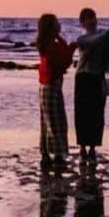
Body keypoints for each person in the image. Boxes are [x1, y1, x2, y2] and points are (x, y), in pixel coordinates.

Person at [73, 5, 109, 163]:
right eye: (88, 18)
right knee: (83, 114)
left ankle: (92, 148)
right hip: (84, 78)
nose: (92, 21)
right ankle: (83, 147)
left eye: (93, 17)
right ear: (82, 23)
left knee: (97, 114)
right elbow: (101, 39)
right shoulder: (83, 39)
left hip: (98, 77)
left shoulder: (103, 37)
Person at [36, 13, 74, 171]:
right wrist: (71, 47)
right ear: (51, 28)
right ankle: (58, 155)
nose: (60, 25)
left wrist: (60, 39)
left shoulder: (47, 44)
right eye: (57, 23)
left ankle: (46, 154)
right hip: (51, 87)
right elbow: (65, 60)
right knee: (56, 122)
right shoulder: (51, 46)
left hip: (46, 87)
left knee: (47, 122)